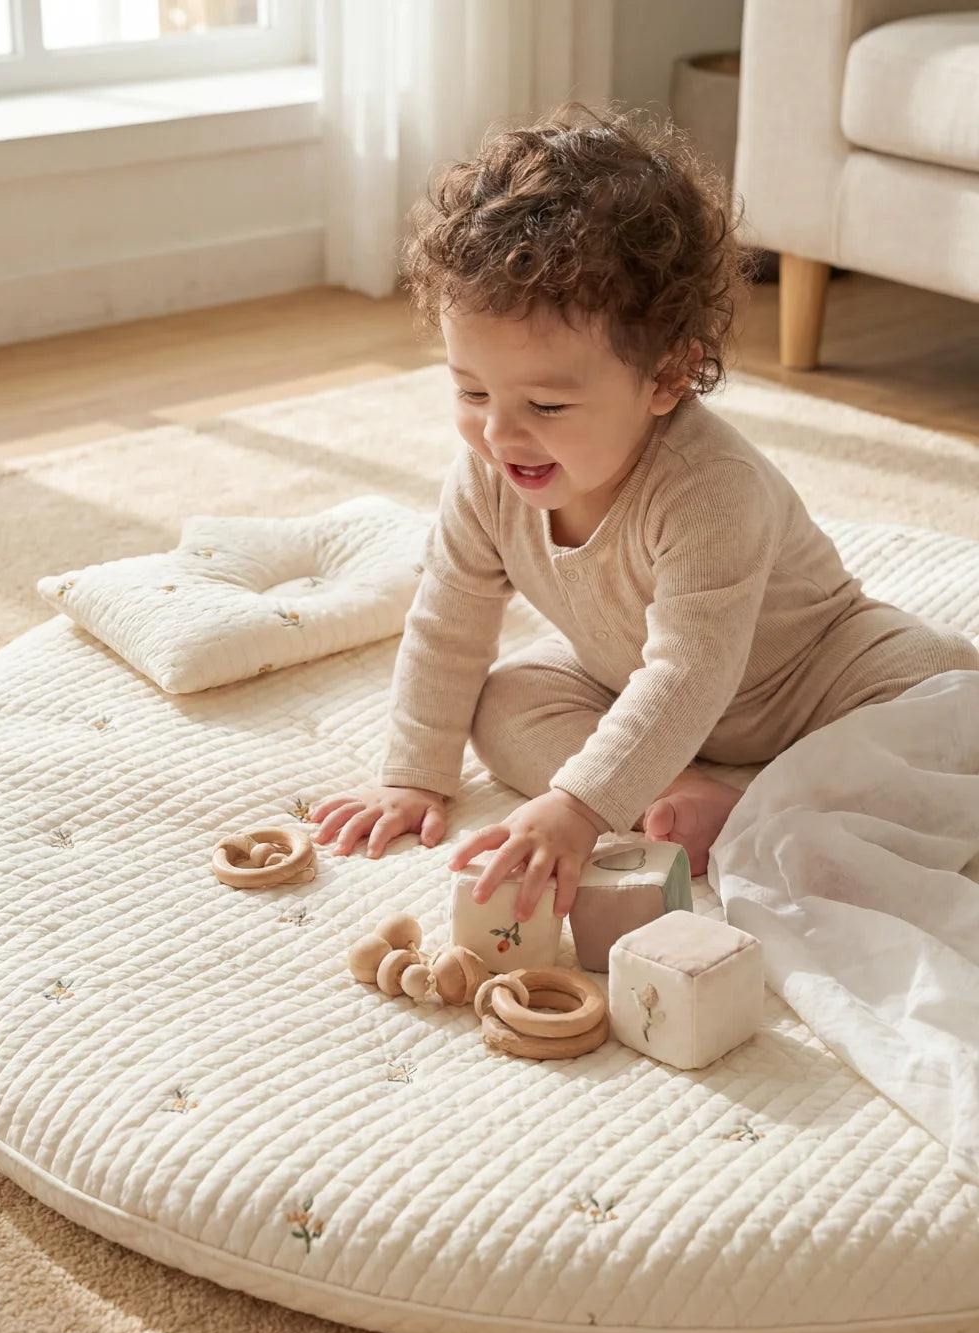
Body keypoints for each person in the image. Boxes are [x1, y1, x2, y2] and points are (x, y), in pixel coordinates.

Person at [312, 104, 978, 927]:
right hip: (638, 688)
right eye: (470, 390)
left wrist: (582, 809)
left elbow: (688, 671)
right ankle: (690, 791)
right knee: (504, 703)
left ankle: (736, 794)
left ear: (667, 377)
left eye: (547, 404)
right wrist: (412, 775)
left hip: (818, 682)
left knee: (945, 702)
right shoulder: (484, 478)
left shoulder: (709, 485)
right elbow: (447, 622)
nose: (498, 431)